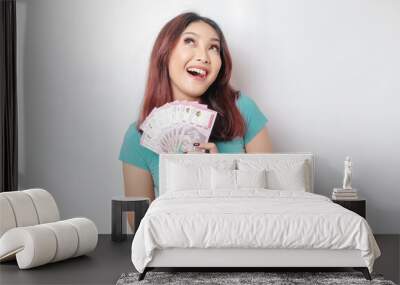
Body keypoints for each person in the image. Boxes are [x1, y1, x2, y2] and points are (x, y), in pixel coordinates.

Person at [119, 12, 272, 229]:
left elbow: (273, 199)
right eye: (190, 41)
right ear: (165, 52)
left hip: (246, 243)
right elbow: (142, 230)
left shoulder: (243, 109)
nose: (204, 56)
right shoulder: (138, 137)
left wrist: (220, 173)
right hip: (179, 252)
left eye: (214, 48)